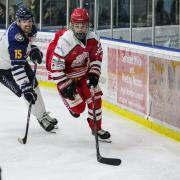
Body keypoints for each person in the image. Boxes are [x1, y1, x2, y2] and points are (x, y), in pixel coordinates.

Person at [46, 8, 111, 141]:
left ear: (88, 25)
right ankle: (68, 101)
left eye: (83, 26)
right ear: (72, 25)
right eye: (77, 26)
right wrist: (65, 86)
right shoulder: (65, 41)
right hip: (67, 78)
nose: (80, 29)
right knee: (78, 109)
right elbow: (55, 68)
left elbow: (96, 58)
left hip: (84, 74)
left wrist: (94, 74)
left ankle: (96, 128)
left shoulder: (93, 37)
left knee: (95, 97)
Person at [0, 6, 58, 132]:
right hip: (4, 69)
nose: (28, 23)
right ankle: (40, 118)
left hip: (16, 62)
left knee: (34, 85)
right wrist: (25, 87)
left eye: (30, 20)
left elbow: (27, 45)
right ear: (18, 21)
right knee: (26, 91)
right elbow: (17, 68)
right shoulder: (15, 38)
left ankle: (42, 114)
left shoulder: (30, 29)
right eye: (24, 21)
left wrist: (33, 50)